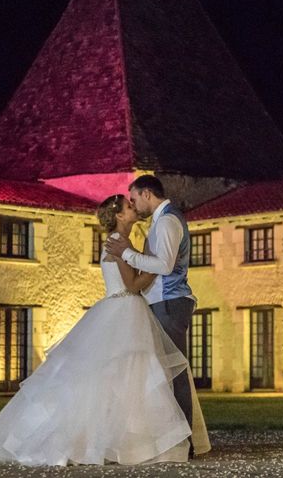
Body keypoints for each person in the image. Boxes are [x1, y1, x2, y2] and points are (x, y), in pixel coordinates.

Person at [0, 194, 207, 466]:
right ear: (119, 216)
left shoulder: (122, 242)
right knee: (133, 373)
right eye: (129, 206)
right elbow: (133, 286)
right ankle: (124, 442)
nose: (134, 208)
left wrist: (143, 259)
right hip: (125, 308)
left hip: (124, 309)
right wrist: (157, 265)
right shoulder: (118, 243)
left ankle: (122, 440)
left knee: (127, 378)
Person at [104, 175, 200, 457]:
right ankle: (171, 439)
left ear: (147, 194)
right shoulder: (160, 222)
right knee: (165, 372)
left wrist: (127, 254)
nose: (133, 203)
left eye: (134, 198)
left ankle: (183, 442)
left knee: (175, 371)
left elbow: (165, 265)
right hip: (162, 301)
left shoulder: (168, 221)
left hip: (170, 301)